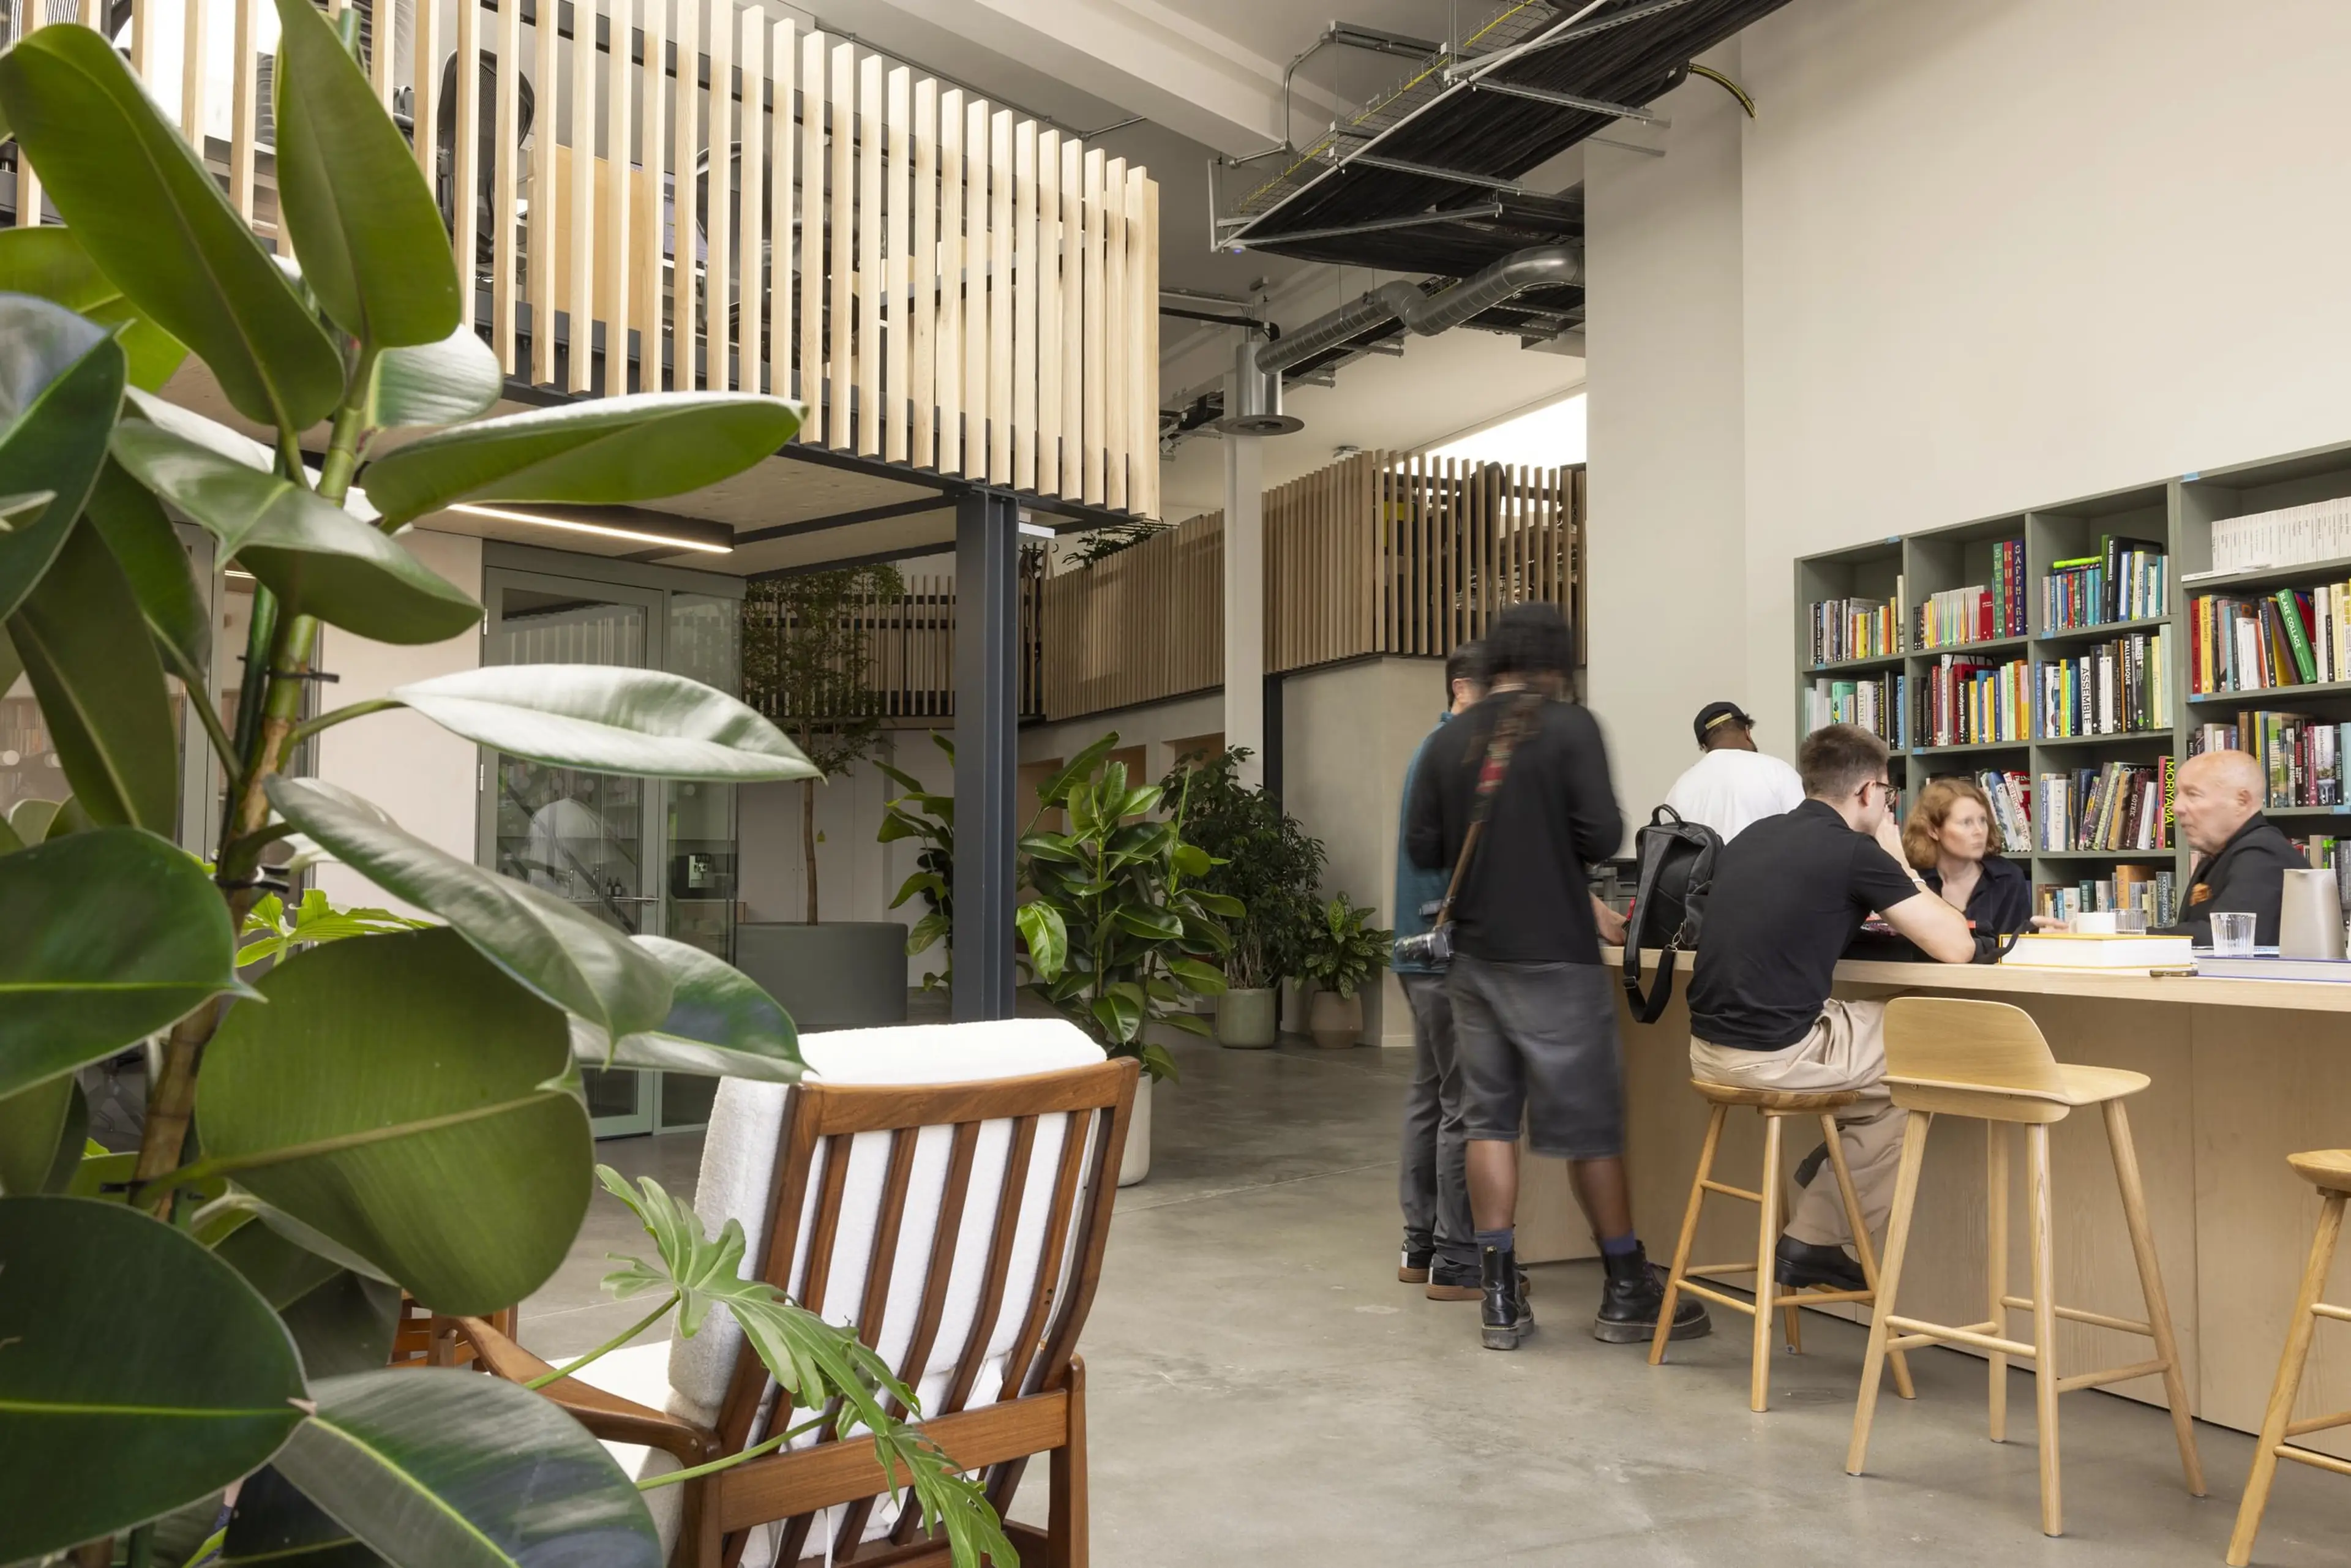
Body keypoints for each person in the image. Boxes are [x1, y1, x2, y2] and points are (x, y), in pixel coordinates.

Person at [1406, 602, 1706, 1351]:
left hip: (1475, 957)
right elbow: (1603, 834)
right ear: (1557, 658)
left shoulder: (1450, 740)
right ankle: (1626, 1286)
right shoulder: (1571, 727)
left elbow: (1425, 838)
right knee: (1589, 1130)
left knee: (1488, 1121)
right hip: (1558, 957)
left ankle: (1500, 1295)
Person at [1685, 724, 1974, 1293]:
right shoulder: (1855, 851)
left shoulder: (1753, 835)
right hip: (1776, 1057)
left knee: (1889, 1051)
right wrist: (1900, 861)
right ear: (1869, 792)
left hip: (1707, 1050)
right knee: (1929, 1038)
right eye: (1889, 794)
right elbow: (1957, 947)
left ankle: (1825, 1191)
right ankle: (1817, 1231)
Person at [1392, 640, 1488, 1302]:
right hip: (1446, 953)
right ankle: (1458, 1259)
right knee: (1461, 1102)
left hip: (1417, 949)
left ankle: (1418, 1246)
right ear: (1462, 688)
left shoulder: (1434, 746)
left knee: (1430, 1093)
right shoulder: (1458, 754)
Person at [2165, 749, 2304, 945]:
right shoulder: (2223, 853)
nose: (2176, 807)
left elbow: (2230, 937)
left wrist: (2126, 939)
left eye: (2193, 795)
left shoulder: (2263, 855)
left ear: (2242, 801)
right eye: (2178, 795)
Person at [1904, 776, 2034, 934]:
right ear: (1933, 831)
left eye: (1983, 820)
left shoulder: (2008, 877)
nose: (1980, 831)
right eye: (1966, 823)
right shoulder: (1912, 880)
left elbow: (2011, 947)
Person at [1662, 700, 1805, 841]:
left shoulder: (1680, 788)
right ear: (1747, 732)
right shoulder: (1778, 772)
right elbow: (1806, 829)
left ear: (1705, 747)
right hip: (1767, 864)